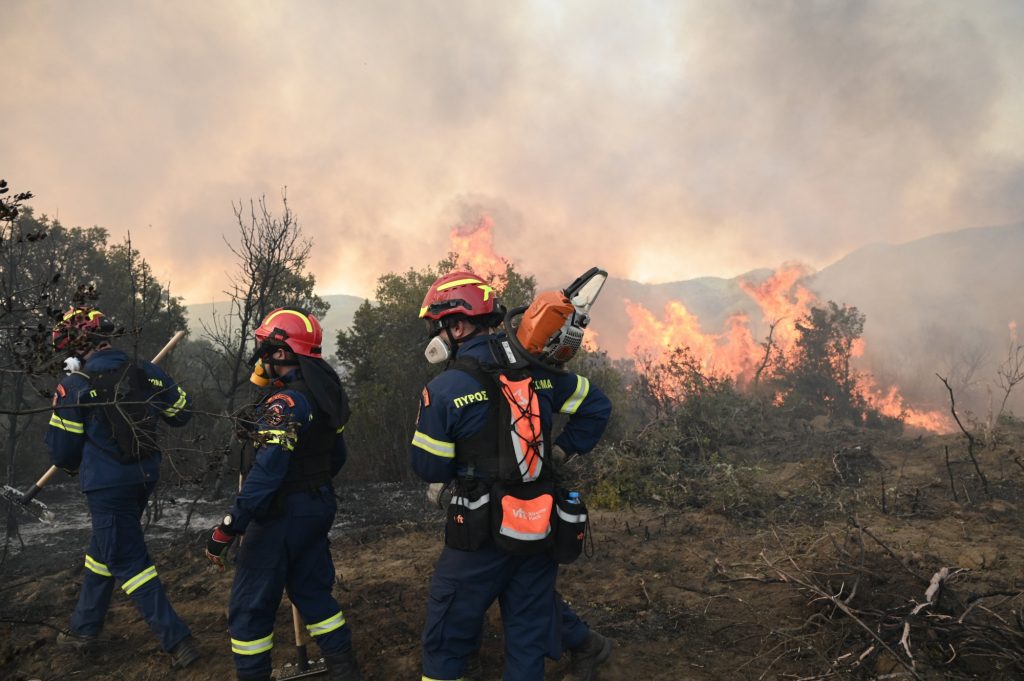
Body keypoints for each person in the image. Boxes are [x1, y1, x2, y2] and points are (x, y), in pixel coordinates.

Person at [411, 271, 613, 681]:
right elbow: (597, 406)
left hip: (479, 534)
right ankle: (583, 646)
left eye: (439, 326)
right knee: (527, 633)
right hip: (538, 525)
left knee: (447, 630)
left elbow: (429, 467)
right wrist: (560, 451)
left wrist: (452, 472)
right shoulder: (540, 373)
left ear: (458, 324)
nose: (437, 336)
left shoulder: (446, 388)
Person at [205, 307, 361, 681]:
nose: (260, 357)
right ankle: (345, 671)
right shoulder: (326, 392)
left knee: (248, 610)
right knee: (312, 593)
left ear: (280, 353)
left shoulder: (285, 404)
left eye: (264, 349)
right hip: (317, 505)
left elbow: (265, 475)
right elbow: (336, 456)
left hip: (280, 515)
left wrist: (230, 526)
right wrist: (311, 486)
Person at [46, 306, 200, 669]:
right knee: (102, 552)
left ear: (76, 347)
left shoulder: (74, 385)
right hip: (144, 477)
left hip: (107, 485)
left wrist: (70, 464)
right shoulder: (142, 369)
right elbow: (182, 412)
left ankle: (178, 641)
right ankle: (84, 627)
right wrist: (154, 383)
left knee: (129, 561)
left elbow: (64, 452)